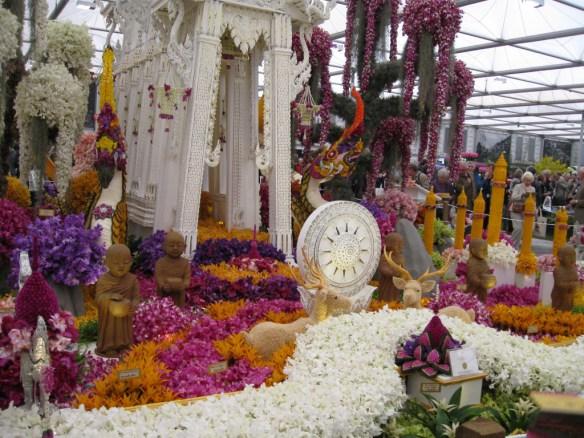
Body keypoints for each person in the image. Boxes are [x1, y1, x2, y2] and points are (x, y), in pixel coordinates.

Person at [96, 244, 140, 357]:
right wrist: (110, 296)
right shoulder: (103, 280)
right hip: (109, 316)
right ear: (107, 263)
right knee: (110, 330)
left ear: (131, 262)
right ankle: (108, 347)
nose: (121, 266)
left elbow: (136, 298)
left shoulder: (132, 280)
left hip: (125, 315)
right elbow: (98, 298)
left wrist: (133, 305)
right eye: (116, 263)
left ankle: (124, 346)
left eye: (125, 263)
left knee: (124, 331)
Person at [510, 171, 536, 249]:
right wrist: (522, 196)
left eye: (529, 180)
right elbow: (513, 197)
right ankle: (512, 246)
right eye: (526, 180)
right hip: (516, 210)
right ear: (523, 179)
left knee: (527, 229)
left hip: (526, 212)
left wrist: (535, 209)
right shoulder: (518, 186)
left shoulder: (533, 189)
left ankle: (520, 247)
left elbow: (533, 200)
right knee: (518, 228)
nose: (527, 182)